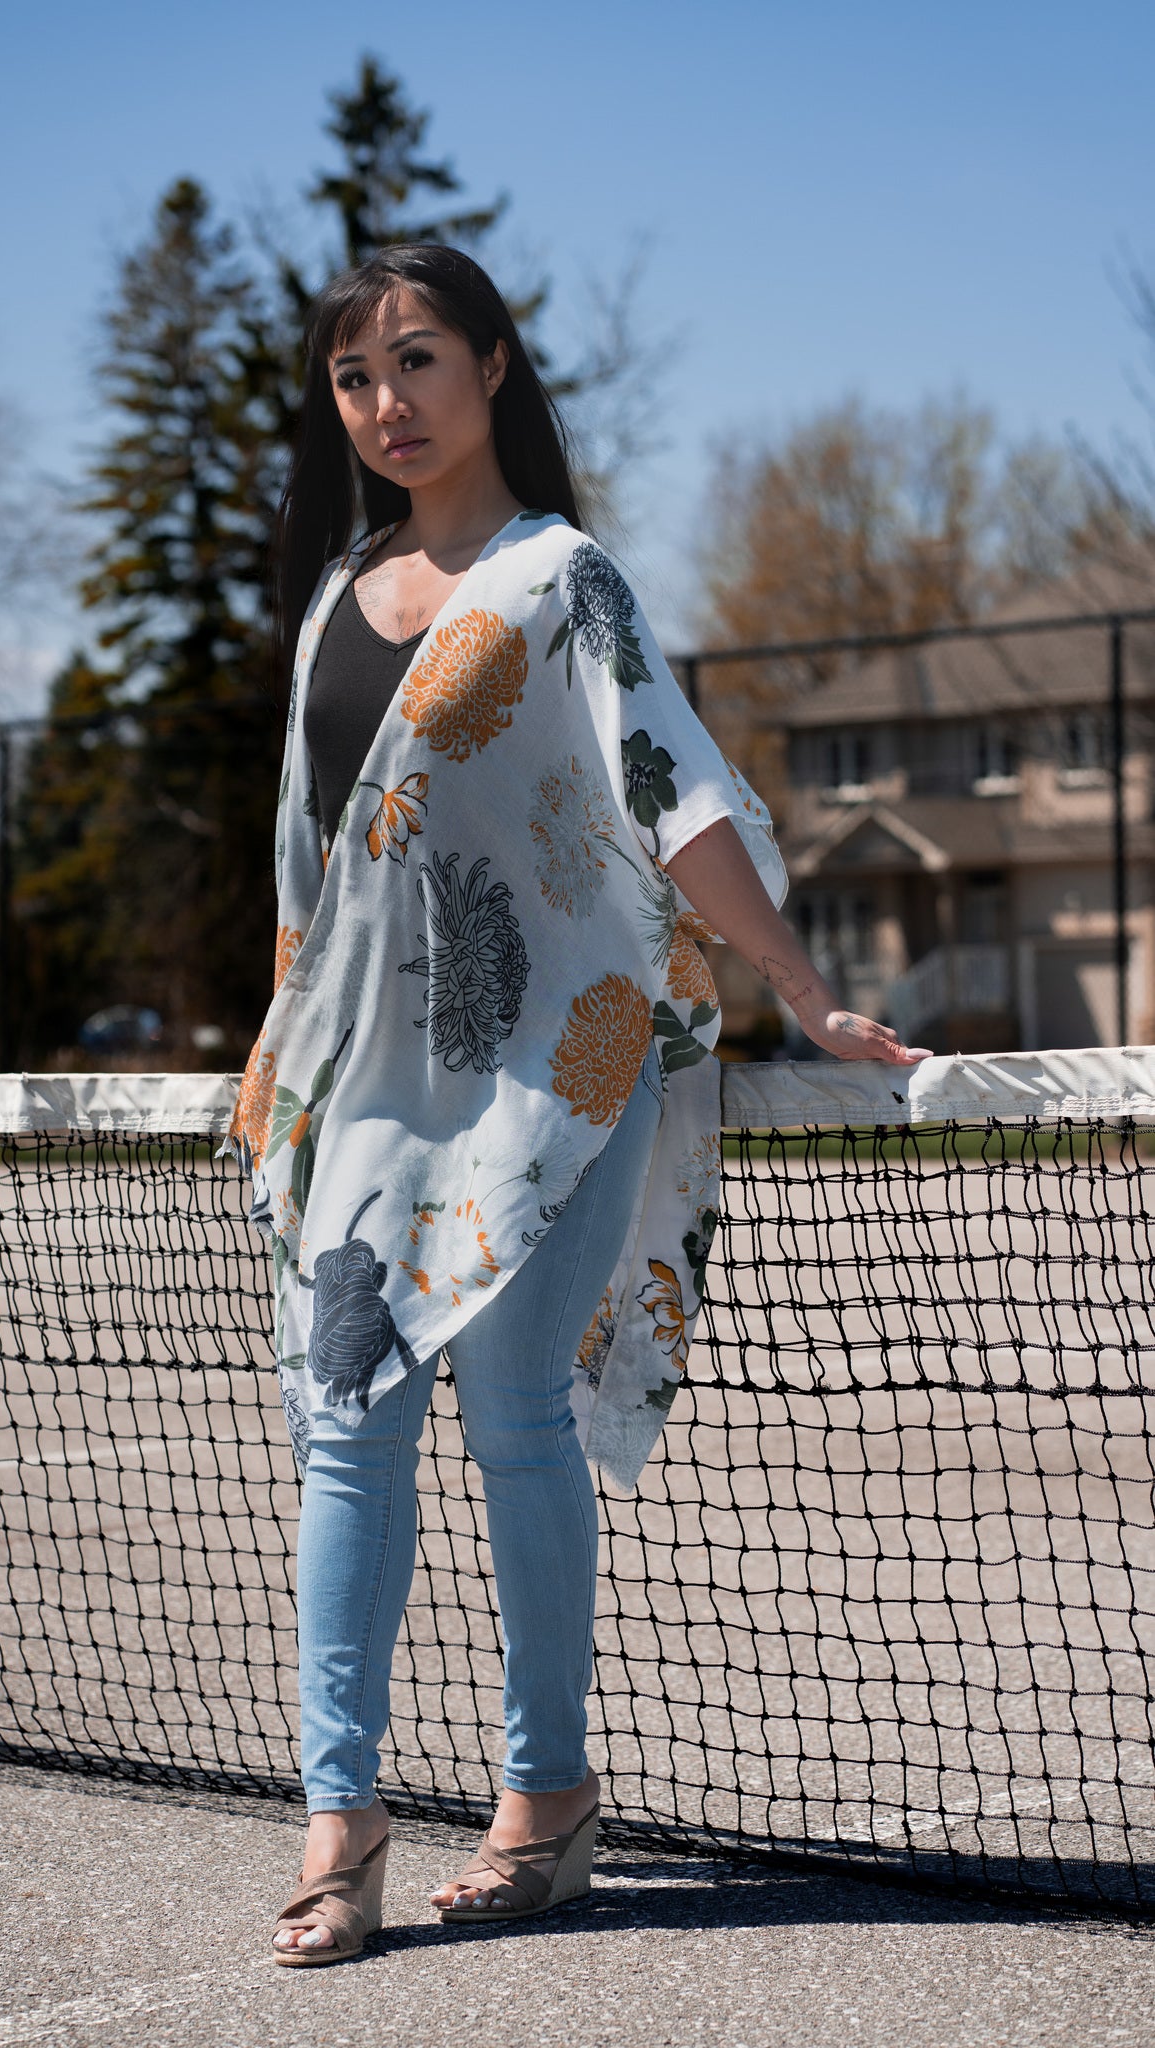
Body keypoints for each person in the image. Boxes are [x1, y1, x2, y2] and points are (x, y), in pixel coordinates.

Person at [220, 243, 931, 1966]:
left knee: (517, 1417)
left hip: (561, 1055)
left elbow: (668, 790)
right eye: (354, 378)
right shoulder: (335, 594)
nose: (386, 403)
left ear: (492, 367)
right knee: (343, 1425)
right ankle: (343, 1815)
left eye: (417, 362)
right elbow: (314, 851)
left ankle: (543, 1808)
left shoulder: (560, 582)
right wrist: (281, 1040)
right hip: (368, 1082)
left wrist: (796, 985)